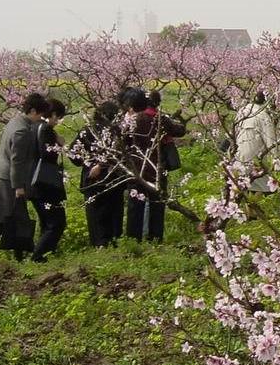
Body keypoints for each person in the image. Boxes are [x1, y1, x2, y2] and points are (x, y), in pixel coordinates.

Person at [0, 93, 47, 260]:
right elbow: (17, 161)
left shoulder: (15, 121)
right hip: (9, 180)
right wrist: (19, 187)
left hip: (3, 175)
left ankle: (16, 256)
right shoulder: (22, 130)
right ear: (33, 111)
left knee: (13, 218)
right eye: (41, 114)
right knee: (10, 219)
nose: (42, 118)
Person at [122, 89, 187, 242]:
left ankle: (133, 238)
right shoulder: (160, 119)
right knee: (157, 204)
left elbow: (122, 142)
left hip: (136, 167)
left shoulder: (132, 121)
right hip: (157, 167)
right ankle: (156, 238)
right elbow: (179, 131)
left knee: (135, 205)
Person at [69, 101, 126, 247]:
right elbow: (124, 155)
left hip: (92, 179)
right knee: (114, 212)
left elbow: (73, 153)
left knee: (95, 215)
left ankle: (99, 244)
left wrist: (88, 163)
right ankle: (114, 241)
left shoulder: (88, 130)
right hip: (115, 178)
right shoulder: (118, 132)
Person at [29, 98, 68, 262]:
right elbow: (47, 155)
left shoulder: (33, 126)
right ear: (52, 114)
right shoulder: (46, 129)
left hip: (33, 181)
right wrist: (59, 144)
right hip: (46, 183)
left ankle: (45, 254)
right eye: (57, 117)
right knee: (57, 222)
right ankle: (38, 256)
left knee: (46, 221)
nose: (57, 121)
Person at [236, 90, 277, 192]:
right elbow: (271, 143)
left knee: (244, 189)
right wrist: (277, 164)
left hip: (238, 161)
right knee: (269, 189)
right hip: (255, 163)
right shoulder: (263, 116)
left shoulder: (241, 111)